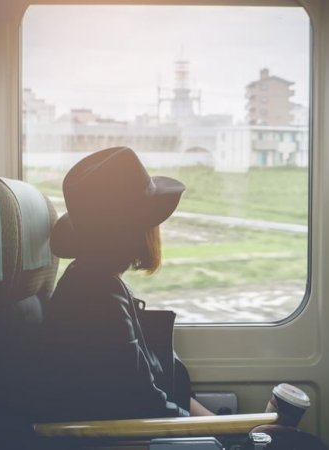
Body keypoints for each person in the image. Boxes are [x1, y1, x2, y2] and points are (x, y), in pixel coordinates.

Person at [40, 147, 214, 421]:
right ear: (135, 232)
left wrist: (229, 427)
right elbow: (148, 408)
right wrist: (232, 433)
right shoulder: (96, 299)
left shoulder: (93, 282)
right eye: (154, 219)